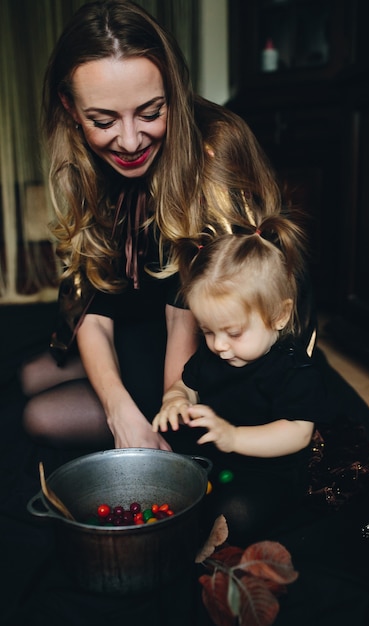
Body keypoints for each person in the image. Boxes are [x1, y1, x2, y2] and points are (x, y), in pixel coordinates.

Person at [19, 0, 314, 452]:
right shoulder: (82, 162)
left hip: (209, 344)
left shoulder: (218, 149)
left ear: (173, 93)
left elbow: (192, 313)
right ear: (70, 109)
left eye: (152, 112)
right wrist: (119, 413)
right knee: (30, 376)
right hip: (142, 323)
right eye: (103, 120)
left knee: (42, 415)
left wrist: (166, 405)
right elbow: (91, 303)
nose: (132, 141)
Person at [152, 219, 335, 543]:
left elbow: (296, 432)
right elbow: (188, 385)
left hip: (269, 472)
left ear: (279, 315)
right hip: (216, 458)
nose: (219, 345)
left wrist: (234, 437)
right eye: (207, 331)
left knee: (237, 513)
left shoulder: (292, 369)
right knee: (171, 481)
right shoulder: (214, 356)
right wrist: (176, 400)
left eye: (233, 332)